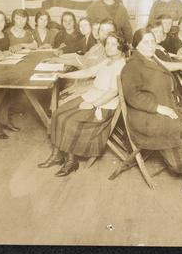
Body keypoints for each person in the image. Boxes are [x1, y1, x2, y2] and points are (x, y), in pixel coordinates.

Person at [120, 29, 182, 199]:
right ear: (136, 46)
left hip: (166, 106)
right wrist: (158, 108)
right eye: (145, 42)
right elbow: (133, 96)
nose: (150, 45)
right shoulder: (132, 66)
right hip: (146, 115)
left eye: (152, 41)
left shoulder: (153, 59)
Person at [38, 32, 129, 176]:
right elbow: (89, 71)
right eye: (107, 43)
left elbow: (113, 92)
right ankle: (57, 155)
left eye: (114, 44)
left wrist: (93, 104)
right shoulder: (108, 60)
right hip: (91, 95)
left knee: (69, 120)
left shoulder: (121, 65)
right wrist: (64, 75)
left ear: (121, 46)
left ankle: (71, 161)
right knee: (57, 113)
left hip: (103, 105)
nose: (109, 47)